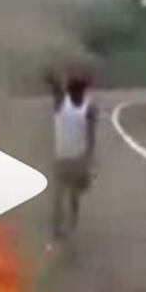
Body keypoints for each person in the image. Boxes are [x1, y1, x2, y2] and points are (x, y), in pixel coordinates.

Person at [48, 68, 98, 239]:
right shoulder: (88, 108)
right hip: (76, 157)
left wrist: (52, 76)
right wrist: (89, 158)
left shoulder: (62, 103)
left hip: (63, 156)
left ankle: (59, 226)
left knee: (61, 193)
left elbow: (54, 86)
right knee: (72, 194)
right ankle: (70, 224)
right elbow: (91, 136)